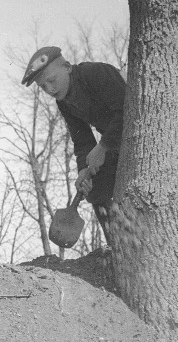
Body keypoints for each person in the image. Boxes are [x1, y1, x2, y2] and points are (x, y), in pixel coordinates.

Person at [21, 46, 125, 245]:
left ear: (67, 67)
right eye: (43, 87)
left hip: (133, 136)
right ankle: (118, 246)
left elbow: (127, 109)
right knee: (95, 189)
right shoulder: (64, 101)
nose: (50, 89)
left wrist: (103, 147)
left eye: (51, 80)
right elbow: (82, 138)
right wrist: (84, 170)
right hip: (115, 143)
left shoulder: (93, 74)